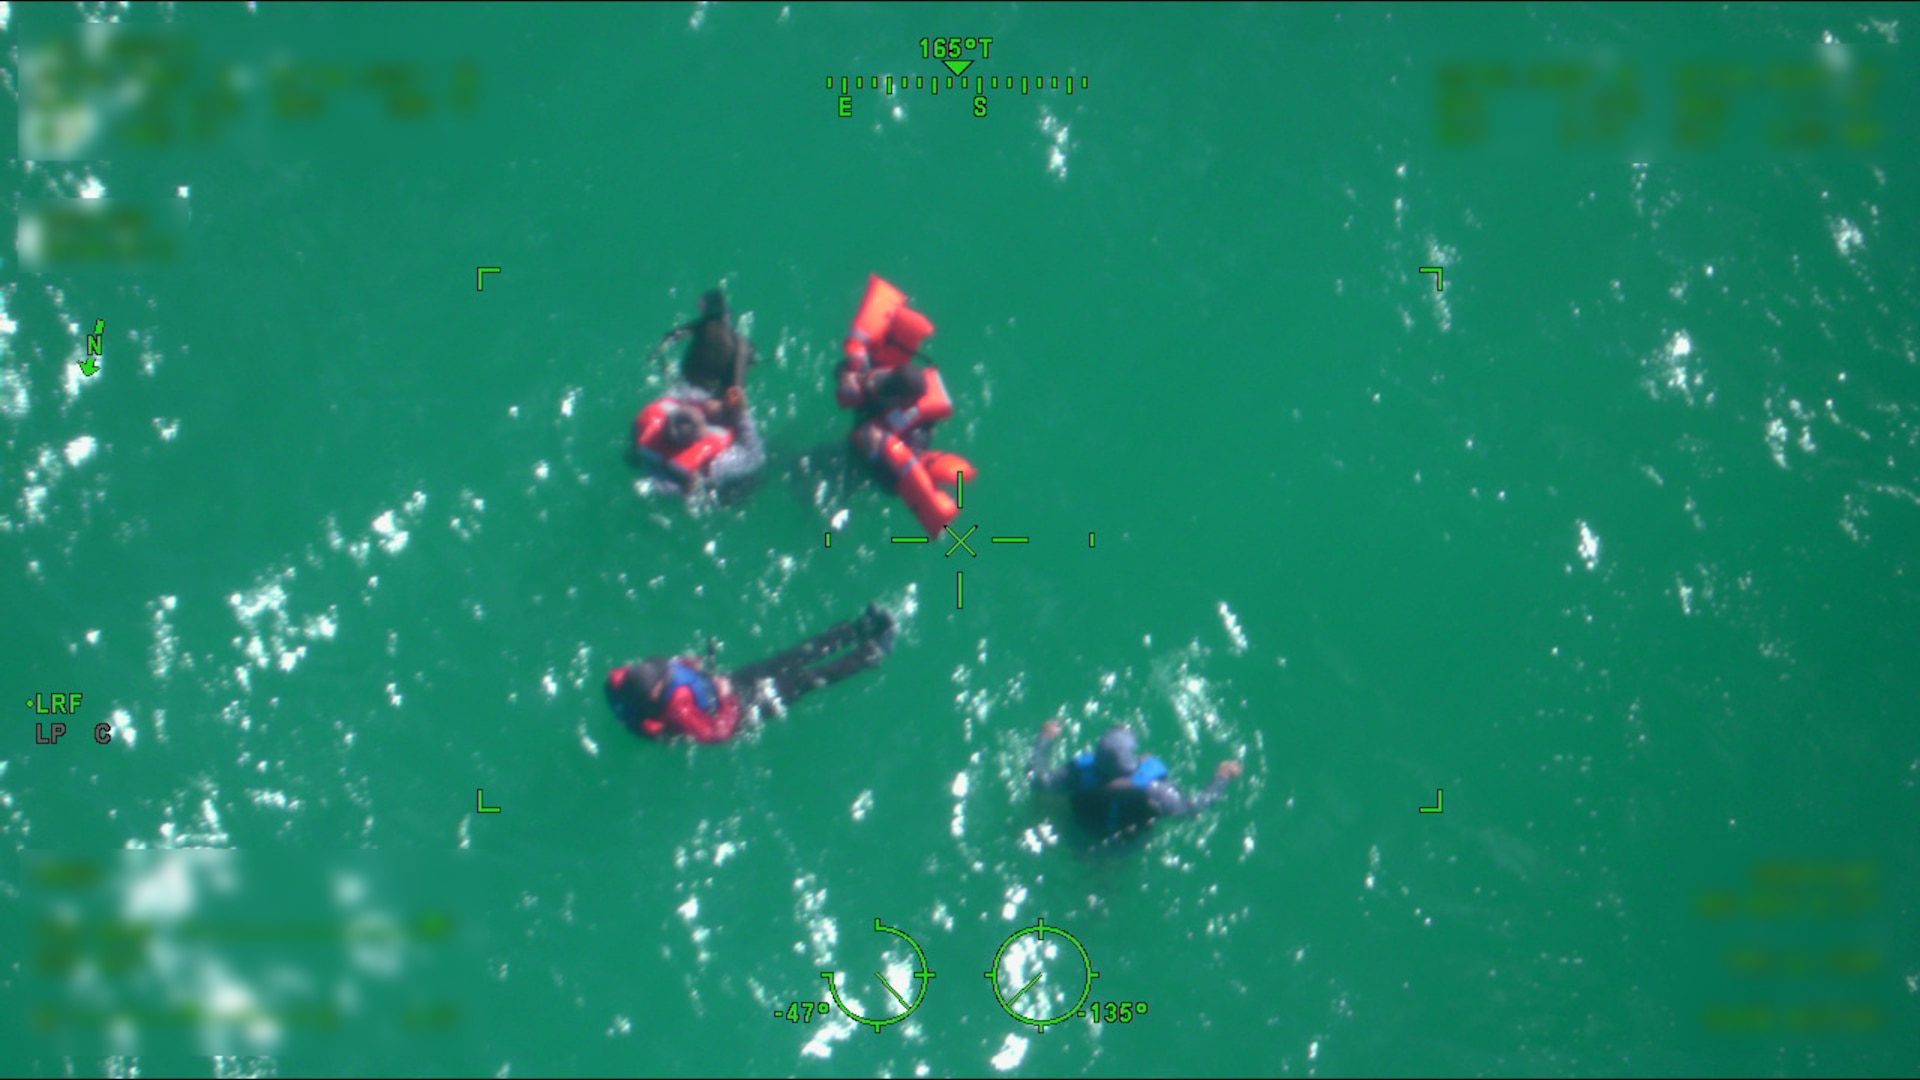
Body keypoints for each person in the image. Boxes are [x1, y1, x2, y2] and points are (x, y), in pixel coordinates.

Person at [605, 604, 897, 743]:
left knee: (790, 657)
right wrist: (726, 697)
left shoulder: (626, 678)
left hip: (721, 685)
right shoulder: (679, 708)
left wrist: (699, 667)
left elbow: (674, 667)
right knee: (805, 679)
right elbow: (719, 732)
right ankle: (872, 654)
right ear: (657, 693)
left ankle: (856, 629)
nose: (669, 667)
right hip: (739, 710)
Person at [836, 275, 974, 536]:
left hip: (868, 472)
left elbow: (894, 482)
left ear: (903, 402)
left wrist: (877, 451)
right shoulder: (878, 376)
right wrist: (846, 377)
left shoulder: (917, 430)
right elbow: (846, 369)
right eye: (877, 381)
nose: (873, 383)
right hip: (856, 443)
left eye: (881, 386)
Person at [632, 287, 765, 496]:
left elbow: (672, 400)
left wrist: (703, 403)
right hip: (725, 489)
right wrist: (739, 413)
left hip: (699, 397)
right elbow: (754, 455)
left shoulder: (650, 430)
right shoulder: (714, 467)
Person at [1028, 721, 1243, 844]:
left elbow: (1038, 779)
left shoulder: (1076, 774)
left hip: (1081, 832)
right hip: (1125, 844)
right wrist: (1221, 778)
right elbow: (1194, 809)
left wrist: (1045, 739)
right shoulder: (1156, 789)